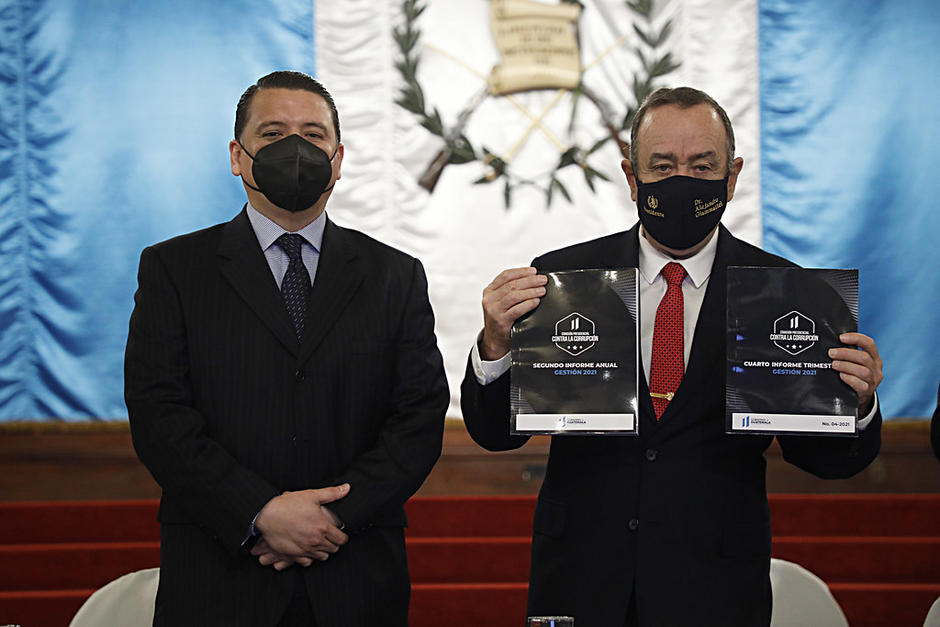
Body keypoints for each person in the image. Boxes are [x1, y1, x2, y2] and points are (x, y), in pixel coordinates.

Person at [461, 87, 884, 626]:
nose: (682, 180)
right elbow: (496, 433)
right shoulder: (564, 280)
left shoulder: (786, 293)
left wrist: (859, 400)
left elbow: (827, 460)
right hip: (582, 581)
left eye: (701, 164)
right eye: (662, 166)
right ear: (631, 177)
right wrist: (496, 344)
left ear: (731, 177)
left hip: (715, 588)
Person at [125, 71, 449, 626]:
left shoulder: (395, 275)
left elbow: (417, 419)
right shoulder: (175, 269)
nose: (295, 149)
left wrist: (329, 520)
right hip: (218, 576)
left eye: (313, 135)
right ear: (238, 155)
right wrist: (258, 513)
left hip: (356, 577)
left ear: (338, 157)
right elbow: (159, 414)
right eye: (273, 134)